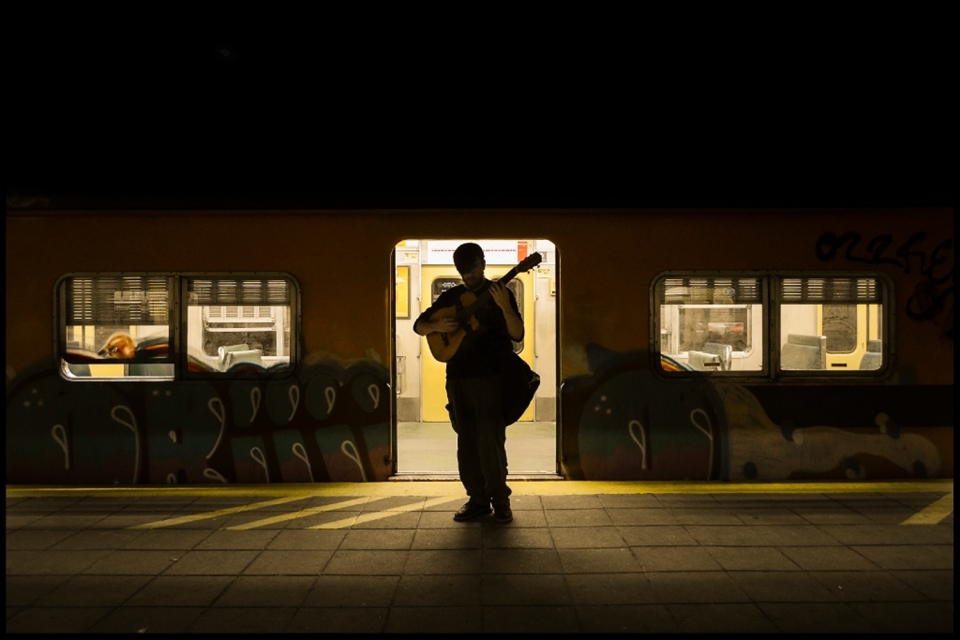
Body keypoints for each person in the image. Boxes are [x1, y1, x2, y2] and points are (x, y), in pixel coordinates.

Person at [413, 242, 523, 523]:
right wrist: (436, 327)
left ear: (483, 263)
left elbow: (517, 334)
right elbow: (419, 325)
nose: (468, 275)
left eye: (472, 268)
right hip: (458, 378)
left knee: (491, 443)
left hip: (490, 378)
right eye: (463, 271)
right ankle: (477, 500)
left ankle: (500, 502)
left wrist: (503, 306)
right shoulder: (451, 297)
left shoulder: (501, 293)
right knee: (467, 443)